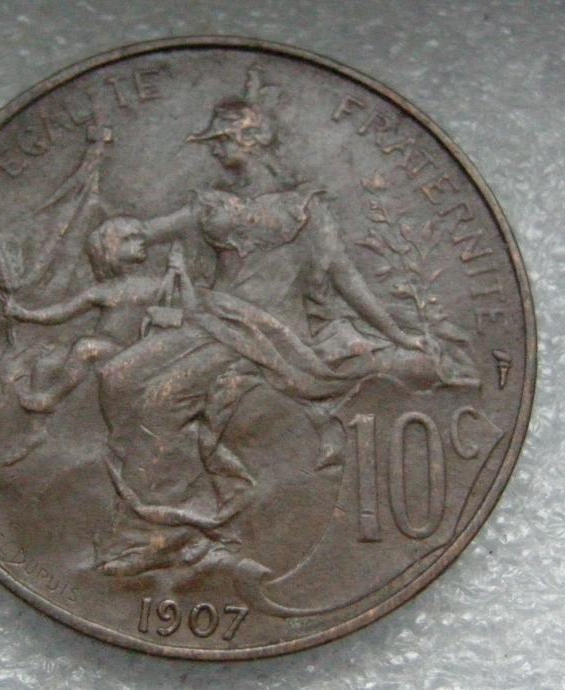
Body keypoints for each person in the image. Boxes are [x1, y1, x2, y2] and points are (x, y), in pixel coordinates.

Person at [89, 69, 462, 579]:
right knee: (114, 377)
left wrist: (398, 334)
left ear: (253, 140)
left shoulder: (304, 209)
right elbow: (147, 231)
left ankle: (168, 531)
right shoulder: (212, 204)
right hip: (212, 321)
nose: (214, 150)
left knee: (159, 399)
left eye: (222, 140)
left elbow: (346, 277)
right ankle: (167, 507)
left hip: (268, 334)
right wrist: (117, 233)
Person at [6, 217, 196, 412]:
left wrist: (182, 274)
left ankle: (51, 398)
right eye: (130, 238)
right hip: (108, 346)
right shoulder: (106, 289)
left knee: (85, 348)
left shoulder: (156, 285)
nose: (141, 242)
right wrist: (26, 314)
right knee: (48, 362)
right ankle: (36, 422)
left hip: (131, 350)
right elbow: (63, 311)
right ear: (112, 248)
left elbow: (191, 310)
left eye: (140, 237)